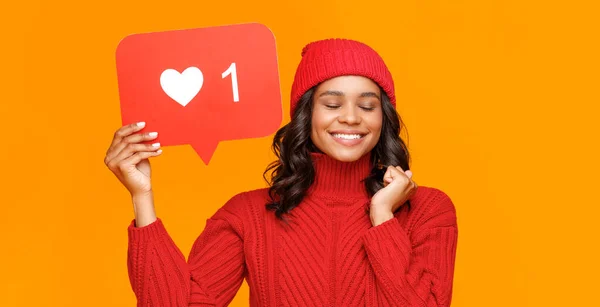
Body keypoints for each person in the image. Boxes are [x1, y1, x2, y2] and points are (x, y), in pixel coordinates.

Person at [105, 38, 458, 306]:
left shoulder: (428, 210)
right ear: (306, 115)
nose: (351, 117)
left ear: (384, 118)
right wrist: (142, 197)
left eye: (367, 105)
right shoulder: (248, 216)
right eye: (332, 104)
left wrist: (382, 217)